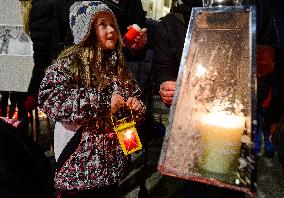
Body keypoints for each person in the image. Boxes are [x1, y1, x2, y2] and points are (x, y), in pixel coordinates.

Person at [153, 0, 278, 197]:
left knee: (229, 185)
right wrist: (166, 85)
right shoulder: (174, 21)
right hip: (190, 123)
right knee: (194, 184)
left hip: (235, 123)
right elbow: (163, 68)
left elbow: (264, 66)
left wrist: (250, 106)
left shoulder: (257, 10)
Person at [38, 1, 146, 197]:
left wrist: (136, 107)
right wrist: (104, 102)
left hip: (112, 169)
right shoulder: (69, 64)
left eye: (112, 24)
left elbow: (135, 95)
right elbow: (50, 98)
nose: (111, 30)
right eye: (102, 25)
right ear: (85, 31)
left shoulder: (118, 66)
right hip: (79, 169)